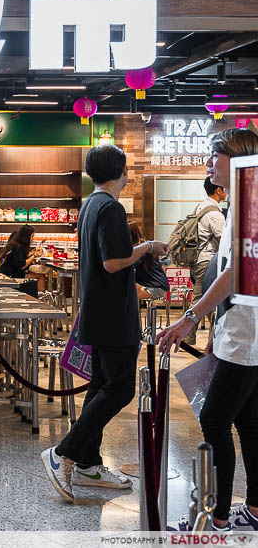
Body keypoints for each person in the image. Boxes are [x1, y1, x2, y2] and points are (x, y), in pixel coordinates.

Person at [41, 144, 167, 503]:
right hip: (113, 314)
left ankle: (89, 463)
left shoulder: (89, 205)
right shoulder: (110, 207)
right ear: (122, 171)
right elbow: (113, 262)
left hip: (96, 310)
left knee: (99, 386)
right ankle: (63, 452)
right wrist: (148, 248)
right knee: (121, 387)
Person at [158, 127, 258, 532]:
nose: (208, 163)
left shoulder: (248, 204)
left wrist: (190, 317)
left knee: (215, 420)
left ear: (234, 158)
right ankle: (253, 510)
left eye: (214, 155)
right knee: (249, 421)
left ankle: (214, 519)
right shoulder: (242, 201)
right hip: (243, 330)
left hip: (246, 335)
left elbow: (235, 274)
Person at [185, 178, 227, 344]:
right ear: (218, 190)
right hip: (206, 262)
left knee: (208, 299)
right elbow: (223, 244)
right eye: (224, 189)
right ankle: (187, 336)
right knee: (200, 299)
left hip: (196, 260)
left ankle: (213, 336)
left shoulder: (201, 207)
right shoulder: (216, 214)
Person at [129, 221, 169, 301]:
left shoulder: (139, 249)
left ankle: (133, 313)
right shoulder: (145, 245)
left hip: (155, 287)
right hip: (160, 285)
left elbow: (129, 266)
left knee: (125, 293)